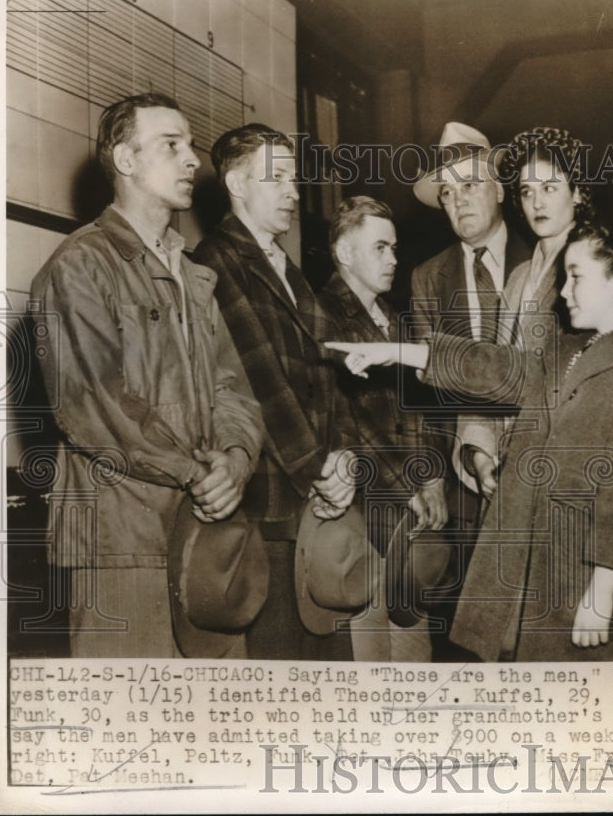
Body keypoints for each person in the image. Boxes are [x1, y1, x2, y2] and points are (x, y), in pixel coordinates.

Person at [327, 220, 613, 662]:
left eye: (576, 277)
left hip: (606, 584)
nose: (563, 291)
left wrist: (601, 589)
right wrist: (397, 352)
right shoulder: (565, 352)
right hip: (551, 570)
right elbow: (491, 367)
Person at [30, 93, 264, 658]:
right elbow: (95, 403)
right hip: (122, 545)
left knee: (219, 708)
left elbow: (234, 389)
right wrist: (197, 472)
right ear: (125, 159)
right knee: (131, 706)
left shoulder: (194, 276)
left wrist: (235, 460)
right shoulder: (80, 265)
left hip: (206, 537)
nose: (194, 160)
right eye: (172, 145)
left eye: (192, 146)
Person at [190, 123, 356, 660]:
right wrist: (319, 469)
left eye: (295, 179)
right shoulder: (215, 260)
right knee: (281, 661)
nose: (293, 192)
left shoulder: (287, 267)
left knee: (329, 666)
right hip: (270, 505)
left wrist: (344, 458)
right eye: (277, 178)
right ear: (238, 184)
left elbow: (330, 369)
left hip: (315, 496)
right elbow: (258, 378)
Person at [410, 121, 530, 657]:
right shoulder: (427, 278)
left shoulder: (545, 258)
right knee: (466, 638)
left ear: (500, 190)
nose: (458, 200)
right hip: (461, 486)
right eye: (447, 192)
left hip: (536, 469)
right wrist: (433, 473)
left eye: (471, 185)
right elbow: (426, 395)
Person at [317, 196, 449, 661]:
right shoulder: (321, 316)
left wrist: (433, 476)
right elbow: (344, 421)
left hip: (408, 521)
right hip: (360, 521)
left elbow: (422, 408)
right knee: (371, 661)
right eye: (380, 248)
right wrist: (406, 486)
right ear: (345, 252)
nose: (393, 259)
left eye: (394, 248)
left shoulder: (395, 319)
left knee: (414, 658)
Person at [459, 126, 596, 500]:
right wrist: (480, 451)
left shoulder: (595, 268)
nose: (537, 203)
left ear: (578, 192)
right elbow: (492, 370)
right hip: (508, 466)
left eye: (549, 188)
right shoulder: (519, 277)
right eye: (527, 191)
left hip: (564, 466)